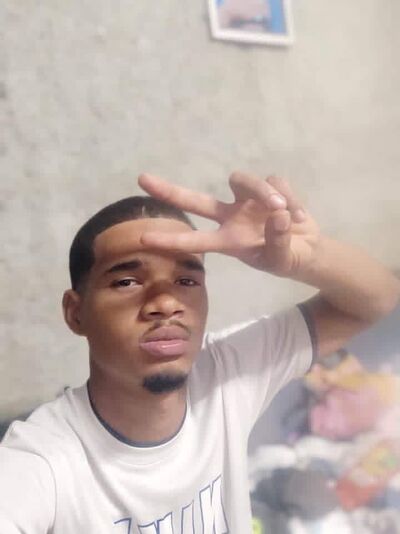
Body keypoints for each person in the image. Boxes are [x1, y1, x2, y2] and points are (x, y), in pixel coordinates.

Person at [0, 172, 398, 533]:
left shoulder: (226, 371)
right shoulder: (43, 460)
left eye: (186, 280)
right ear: (75, 313)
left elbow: (377, 299)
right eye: (126, 281)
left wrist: (308, 258)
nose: (165, 303)